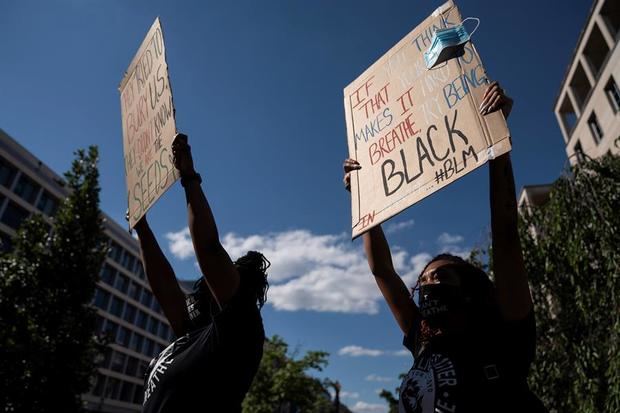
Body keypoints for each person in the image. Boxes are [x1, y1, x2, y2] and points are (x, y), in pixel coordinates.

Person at [343, 82, 547, 413]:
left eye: (440, 277)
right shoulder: (422, 336)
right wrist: (364, 201)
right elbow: (382, 270)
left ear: (469, 288)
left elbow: (507, 235)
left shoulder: (503, 331)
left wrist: (496, 144)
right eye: (424, 280)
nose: (428, 284)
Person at [132, 133, 269, 412]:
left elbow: (209, 251)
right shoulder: (195, 336)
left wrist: (190, 179)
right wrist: (142, 227)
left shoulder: (240, 331)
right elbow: (166, 288)